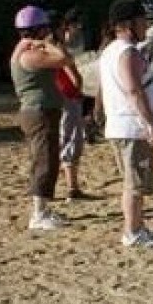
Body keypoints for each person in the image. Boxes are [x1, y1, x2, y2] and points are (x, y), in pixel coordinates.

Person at [99, 0, 153, 248]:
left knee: (132, 183)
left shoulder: (111, 51)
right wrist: (149, 123)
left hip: (122, 125)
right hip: (132, 127)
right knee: (135, 185)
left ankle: (136, 227)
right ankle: (133, 231)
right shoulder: (126, 53)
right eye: (141, 21)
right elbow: (134, 91)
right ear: (128, 24)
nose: (145, 26)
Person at [9, 5, 76, 230]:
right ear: (38, 30)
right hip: (40, 112)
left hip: (37, 112)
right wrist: (48, 43)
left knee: (45, 158)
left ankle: (44, 209)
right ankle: (38, 214)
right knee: (45, 160)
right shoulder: (30, 54)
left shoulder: (20, 50)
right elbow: (65, 58)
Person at [52, 12, 90, 200]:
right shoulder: (59, 50)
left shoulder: (40, 48)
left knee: (62, 138)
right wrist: (79, 89)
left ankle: (69, 185)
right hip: (69, 97)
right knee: (71, 139)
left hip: (55, 98)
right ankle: (72, 187)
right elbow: (75, 78)